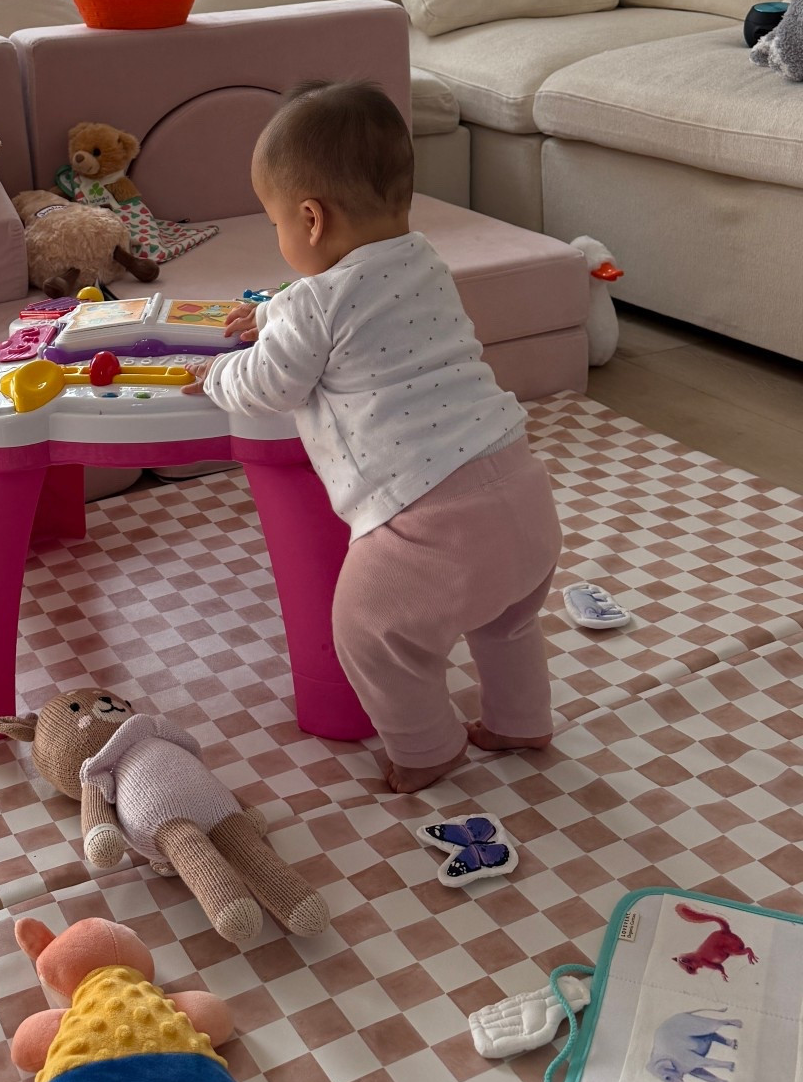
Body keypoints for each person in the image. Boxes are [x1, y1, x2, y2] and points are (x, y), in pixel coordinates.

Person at [185, 80, 561, 794]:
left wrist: (217, 374)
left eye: (274, 224)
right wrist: (273, 318)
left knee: (367, 632)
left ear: (310, 219)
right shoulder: (422, 264)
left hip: (430, 520)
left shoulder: (315, 303)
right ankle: (519, 719)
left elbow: (271, 385)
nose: (279, 238)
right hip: (521, 492)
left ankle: (426, 749)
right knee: (507, 623)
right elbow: (352, 323)